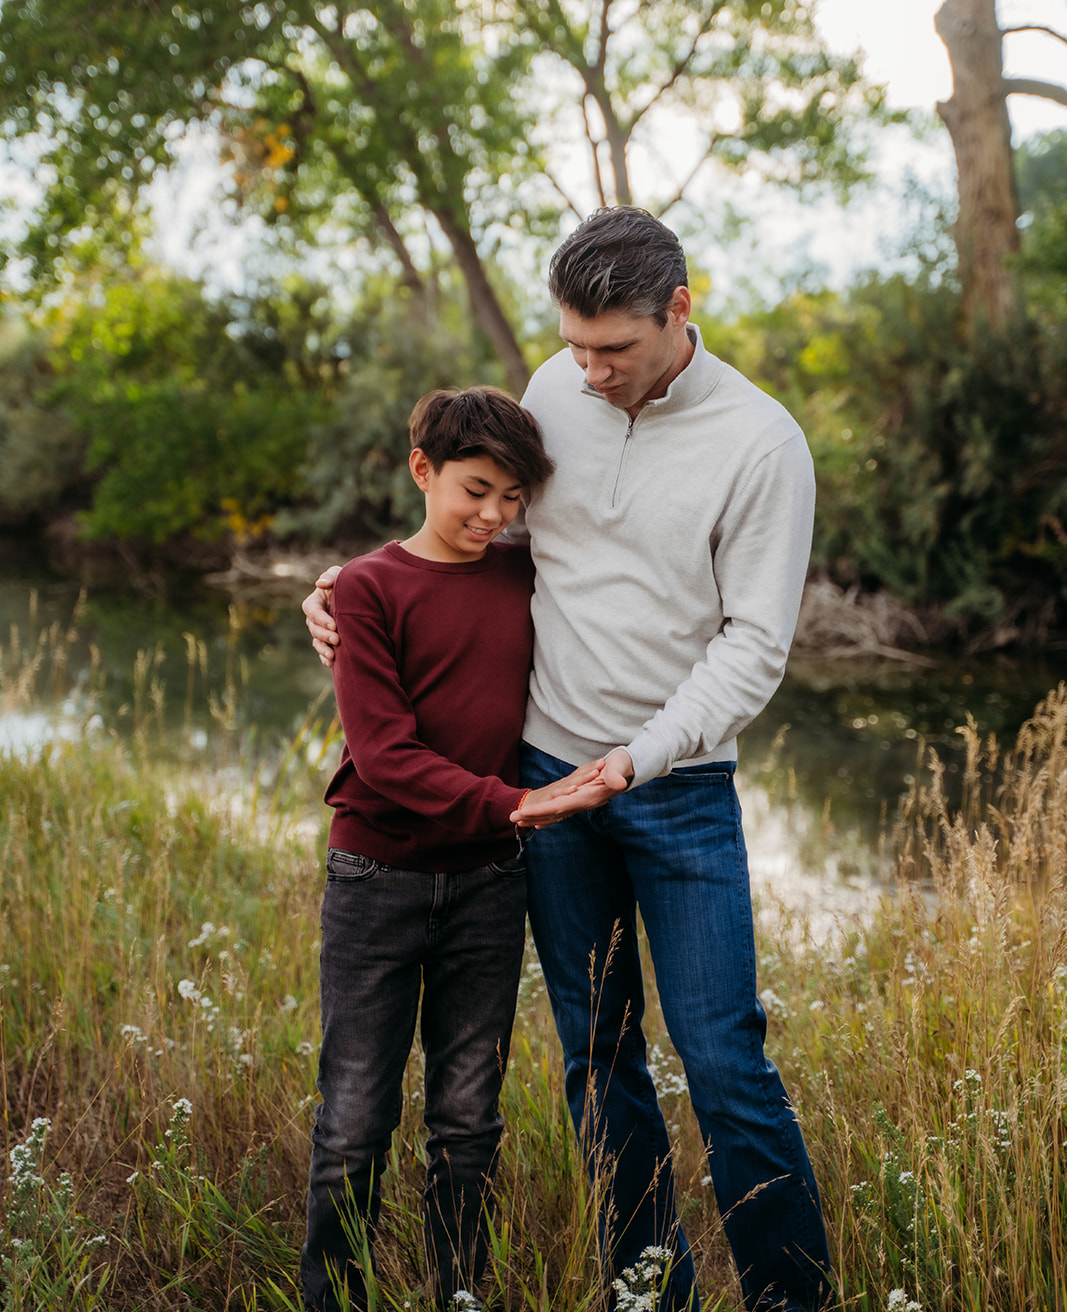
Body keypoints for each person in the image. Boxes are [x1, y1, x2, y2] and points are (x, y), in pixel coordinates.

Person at [304, 208, 833, 1312]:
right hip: (547, 787)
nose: (587, 371)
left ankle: (792, 1298)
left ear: (677, 310)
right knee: (598, 1060)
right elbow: (487, 539)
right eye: (574, 343)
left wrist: (634, 761)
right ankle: (651, 1286)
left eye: (613, 350)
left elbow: (753, 648)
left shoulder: (760, 443)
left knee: (726, 1062)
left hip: (676, 791)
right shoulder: (555, 387)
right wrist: (347, 596)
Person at [300, 386, 614, 1312]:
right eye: (475, 489)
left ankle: (458, 1294)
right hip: (377, 879)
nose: (493, 514)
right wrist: (516, 804)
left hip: (485, 887)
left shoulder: (524, 573)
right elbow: (386, 759)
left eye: (513, 497)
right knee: (356, 1116)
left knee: (468, 1118)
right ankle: (335, 1299)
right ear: (422, 471)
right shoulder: (364, 588)